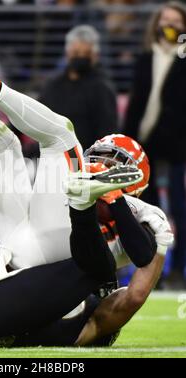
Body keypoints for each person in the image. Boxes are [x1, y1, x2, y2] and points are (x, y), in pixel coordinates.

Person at [0, 21, 173, 346]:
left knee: (61, 134)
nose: (102, 162)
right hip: (17, 249)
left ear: (132, 179)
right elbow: (0, 188)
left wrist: (115, 198)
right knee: (3, 143)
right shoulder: (65, 179)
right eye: (101, 153)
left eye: (114, 161)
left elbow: (142, 257)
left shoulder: (136, 208)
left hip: (53, 258)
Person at [123, 1, 186, 289]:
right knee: (149, 211)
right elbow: (136, 103)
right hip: (145, 143)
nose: (169, 25)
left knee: (180, 208)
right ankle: (153, 270)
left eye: (176, 21)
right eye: (166, 20)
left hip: (177, 146)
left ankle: (178, 271)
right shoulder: (146, 58)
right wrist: (128, 139)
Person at [39, 25, 118, 151]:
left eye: (86, 54)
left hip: (83, 160)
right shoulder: (53, 85)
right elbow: (36, 114)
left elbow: (107, 133)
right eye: (76, 53)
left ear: (95, 56)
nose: (80, 57)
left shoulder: (102, 89)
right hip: (51, 156)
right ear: (67, 53)